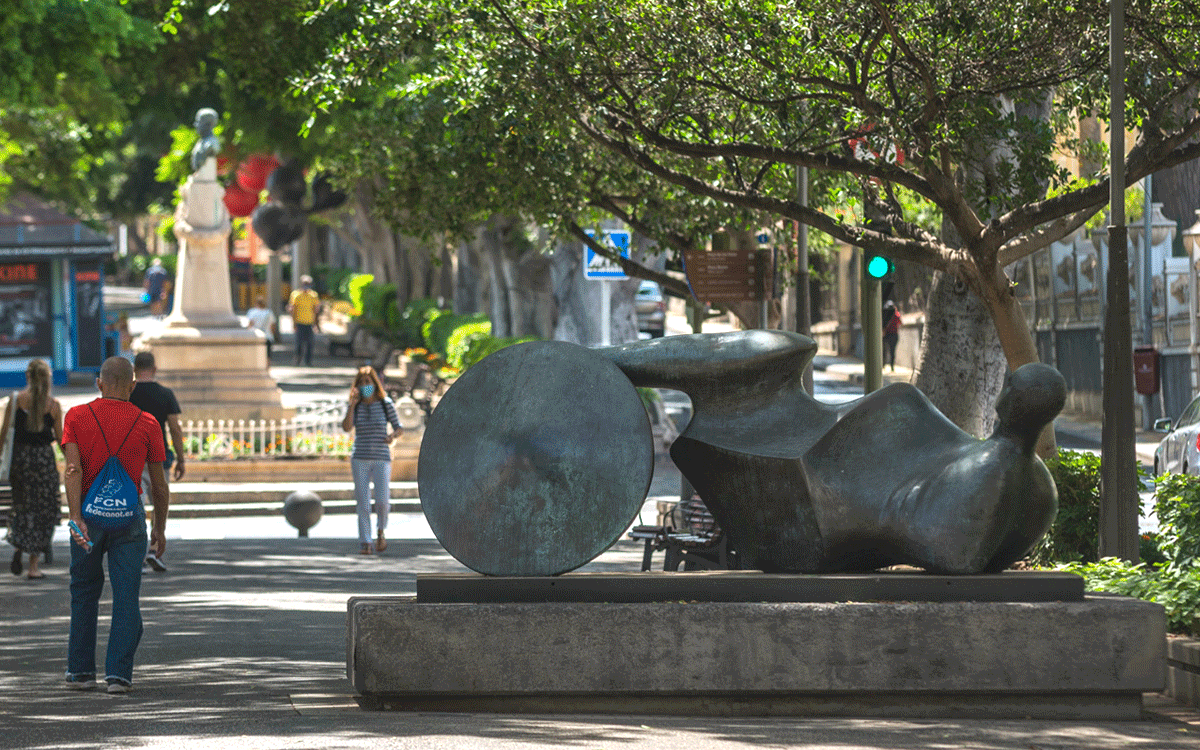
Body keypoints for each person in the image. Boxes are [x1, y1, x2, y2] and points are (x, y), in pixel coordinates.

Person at [64, 356, 168, 693]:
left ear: (99, 383)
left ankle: (80, 672)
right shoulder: (148, 422)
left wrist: (76, 516)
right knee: (127, 595)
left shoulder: (77, 416)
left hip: (89, 517)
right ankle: (118, 676)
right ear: (133, 386)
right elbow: (160, 484)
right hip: (129, 517)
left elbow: (72, 470)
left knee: (83, 592)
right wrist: (160, 529)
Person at [3, 360, 63, 580]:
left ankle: (19, 546)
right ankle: (33, 566)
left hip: (21, 461)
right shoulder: (53, 405)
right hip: (44, 462)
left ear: (27, 377)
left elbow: (4, 435)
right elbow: (61, 439)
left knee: (22, 506)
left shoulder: (16, 400)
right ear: (48, 379)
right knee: (44, 510)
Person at [129, 352, 186, 572]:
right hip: (159, 457)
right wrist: (181, 458)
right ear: (154, 369)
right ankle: (154, 548)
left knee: (137, 507)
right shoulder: (165, 394)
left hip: (132, 458)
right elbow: (174, 428)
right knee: (160, 505)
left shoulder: (128, 394)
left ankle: (139, 554)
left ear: (135, 369)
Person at [341, 366, 402, 555]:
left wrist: (392, 437)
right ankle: (365, 541)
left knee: (383, 501)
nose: (365, 385)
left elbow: (399, 427)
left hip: (381, 458)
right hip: (360, 457)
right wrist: (352, 404)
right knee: (363, 502)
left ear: (375, 384)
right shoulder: (356, 406)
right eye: (362, 383)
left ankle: (381, 531)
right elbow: (346, 427)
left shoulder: (385, 404)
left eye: (368, 382)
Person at [287, 275, 321, 366]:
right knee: (299, 344)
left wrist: (316, 324)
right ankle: (297, 359)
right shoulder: (296, 294)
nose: (307, 285)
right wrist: (293, 323)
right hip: (299, 322)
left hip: (309, 322)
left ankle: (308, 361)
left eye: (308, 283)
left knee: (310, 344)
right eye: (305, 283)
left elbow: (316, 310)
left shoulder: (313, 295)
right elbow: (292, 309)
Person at [882, 300, 901, 372]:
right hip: (894, 335)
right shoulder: (896, 315)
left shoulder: (885, 315)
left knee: (884, 350)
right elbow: (900, 322)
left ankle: (883, 365)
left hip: (886, 334)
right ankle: (892, 366)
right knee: (892, 351)